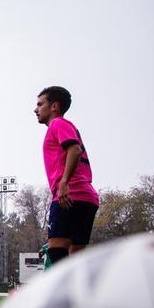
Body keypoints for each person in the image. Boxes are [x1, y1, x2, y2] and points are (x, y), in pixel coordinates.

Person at [34, 86, 100, 265]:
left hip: (71, 195)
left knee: (57, 252)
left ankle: (60, 293)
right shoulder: (65, 126)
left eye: (40, 104)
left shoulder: (58, 124)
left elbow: (75, 149)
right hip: (87, 197)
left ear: (54, 106)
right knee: (75, 260)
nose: (36, 109)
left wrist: (64, 182)